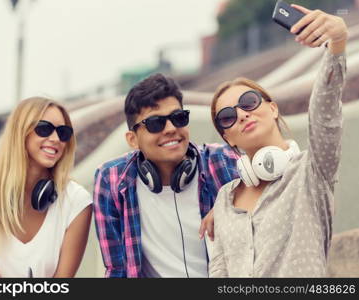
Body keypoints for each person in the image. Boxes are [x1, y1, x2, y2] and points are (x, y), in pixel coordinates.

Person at [209, 5, 347, 277]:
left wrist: (337, 44)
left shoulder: (312, 171)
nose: (241, 114)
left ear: (272, 108)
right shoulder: (225, 199)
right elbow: (219, 271)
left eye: (248, 102)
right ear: (227, 137)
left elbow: (325, 116)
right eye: (227, 116)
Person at [93, 73, 238, 277]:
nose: (170, 129)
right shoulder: (111, 179)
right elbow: (117, 270)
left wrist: (228, 204)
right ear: (133, 139)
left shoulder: (223, 160)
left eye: (178, 118)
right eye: (155, 123)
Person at [0, 97, 92, 277]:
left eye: (63, 133)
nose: (55, 139)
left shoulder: (76, 201)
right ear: (20, 132)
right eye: (44, 129)